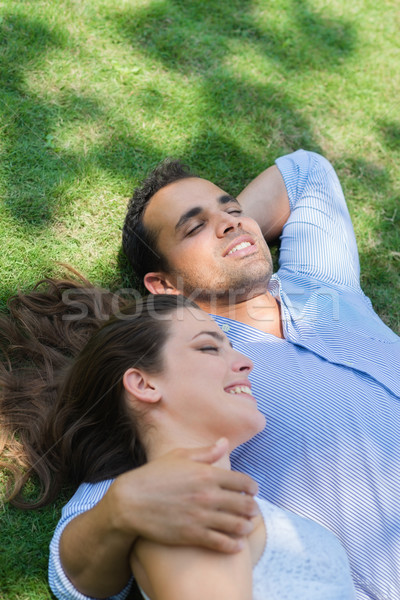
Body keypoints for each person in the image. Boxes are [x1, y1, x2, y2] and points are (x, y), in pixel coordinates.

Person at [0, 289, 355, 599]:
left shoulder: (179, 498)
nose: (246, 363)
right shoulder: (183, 509)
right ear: (144, 385)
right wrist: (119, 507)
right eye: (208, 347)